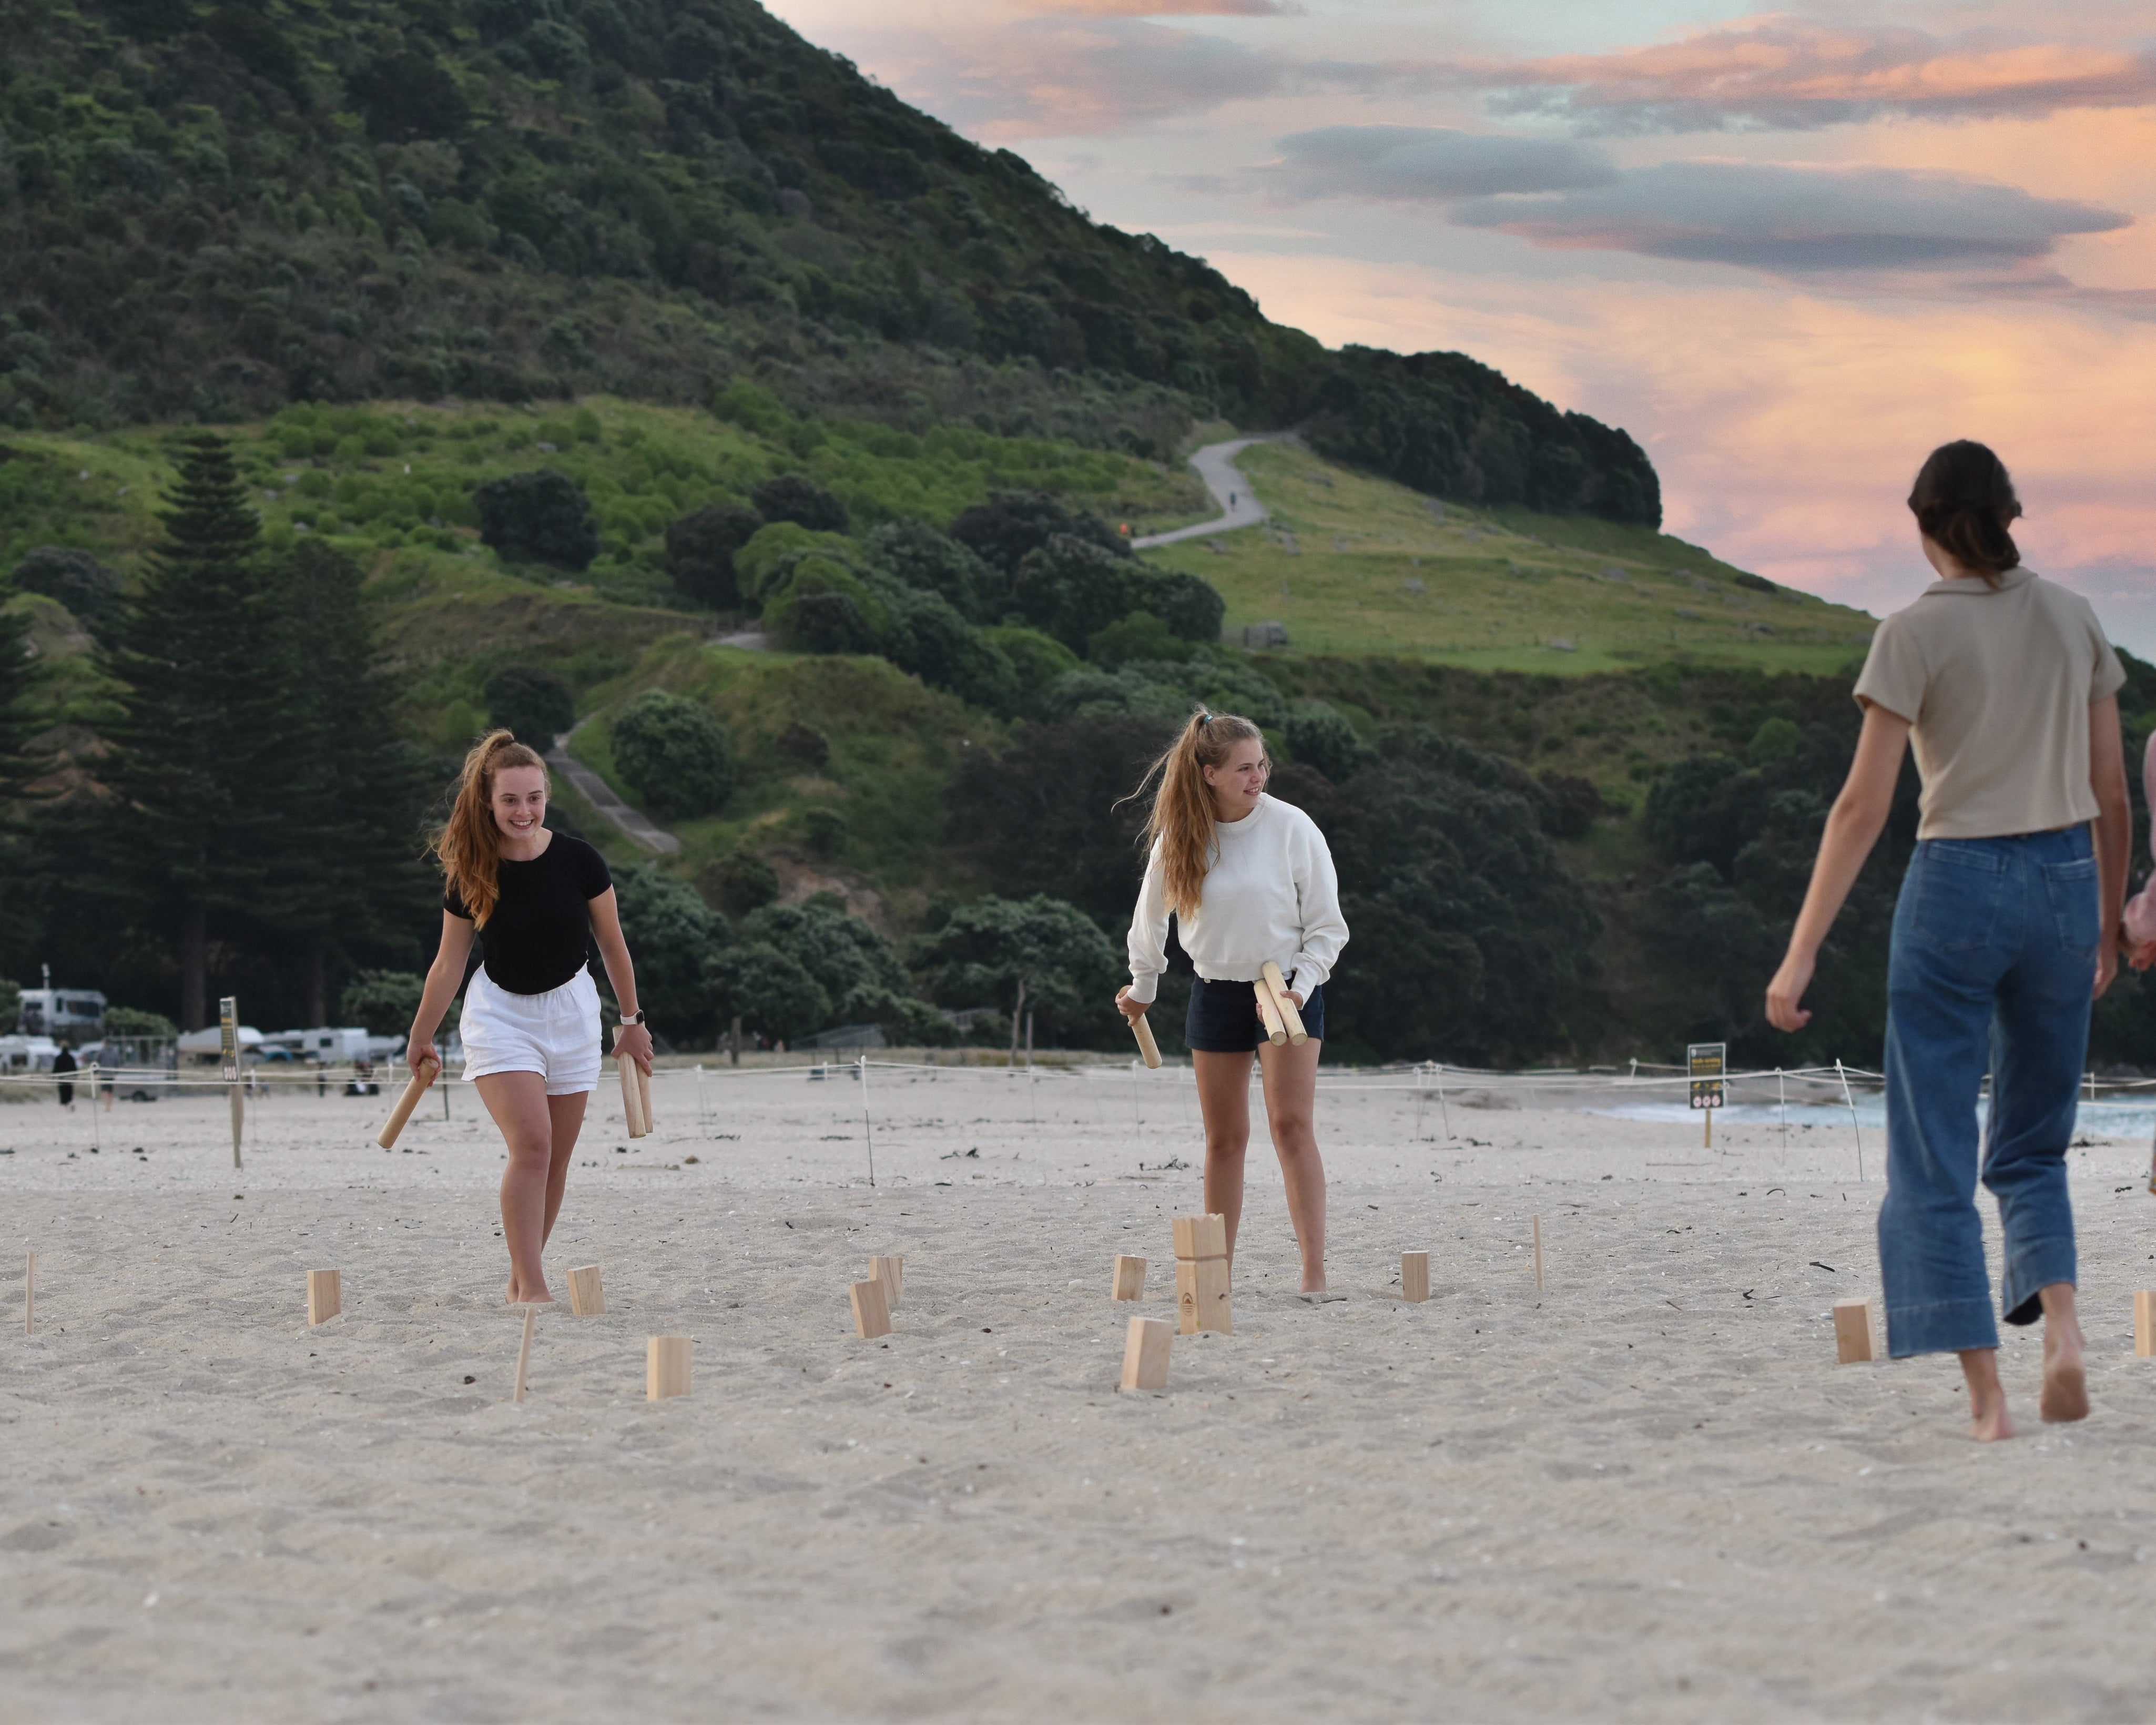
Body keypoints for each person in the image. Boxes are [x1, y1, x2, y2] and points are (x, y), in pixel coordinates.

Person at [1765, 441, 2128, 1441]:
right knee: (2034, 1145)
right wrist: (2104, 922)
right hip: (2064, 879)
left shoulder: (1911, 634)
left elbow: (1861, 807)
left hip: (1957, 882)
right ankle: (2064, 1333)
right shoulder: (2075, 617)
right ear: (2010, 516)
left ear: (1924, 526)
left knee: (1933, 1154)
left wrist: (1801, 951)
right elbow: (2110, 791)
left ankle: (1989, 1402)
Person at [408, 732, 654, 1305]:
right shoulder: (472, 869)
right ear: (488, 802)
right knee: (533, 1147)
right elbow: (448, 964)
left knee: (556, 1162)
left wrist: (632, 1021)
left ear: (547, 797)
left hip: (572, 1012)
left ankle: (521, 1281)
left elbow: (612, 944)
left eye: (535, 798)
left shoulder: (580, 860)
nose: (524, 811)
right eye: (511, 800)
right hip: (500, 1016)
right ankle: (536, 1289)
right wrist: (421, 1036)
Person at [1117, 710, 1349, 1298]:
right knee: (1224, 1139)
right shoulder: (1180, 836)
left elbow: (1327, 926)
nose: (1258, 777)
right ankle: (1217, 1274)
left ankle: (1314, 1273)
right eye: (1244, 768)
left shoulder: (1293, 827)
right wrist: (1143, 988)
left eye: (1261, 765)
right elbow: (1150, 919)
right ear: (1209, 773)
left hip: (1286, 990)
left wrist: (1303, 984)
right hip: (1215, 990)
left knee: (1290, 1126)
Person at [53, 1042, 76, 1110]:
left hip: (62, 1078)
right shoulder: (71, 1058)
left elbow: (56, 1068)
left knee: (63, 1092)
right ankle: (69, 1103)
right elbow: (74, 1068)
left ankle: (65, 1105)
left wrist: (53, 1075)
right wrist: (75, 1076)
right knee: (69, 1091)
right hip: (70, 1077)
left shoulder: (58, 1058)